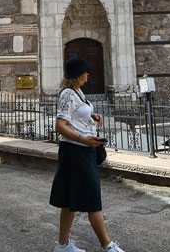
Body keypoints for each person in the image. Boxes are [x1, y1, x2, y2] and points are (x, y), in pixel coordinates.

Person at [51, 56, 125, 252]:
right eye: (85, 70)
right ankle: (107, 245)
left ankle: (63, 245)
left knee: (68, 200)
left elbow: (76, 114)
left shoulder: (77, 92)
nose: (88, 73)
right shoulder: (67, 94)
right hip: (76, 151)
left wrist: (92, 116)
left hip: (82, 151)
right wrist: (83, 139)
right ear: (78, 74)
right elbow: (60, 125)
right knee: (93, 198)